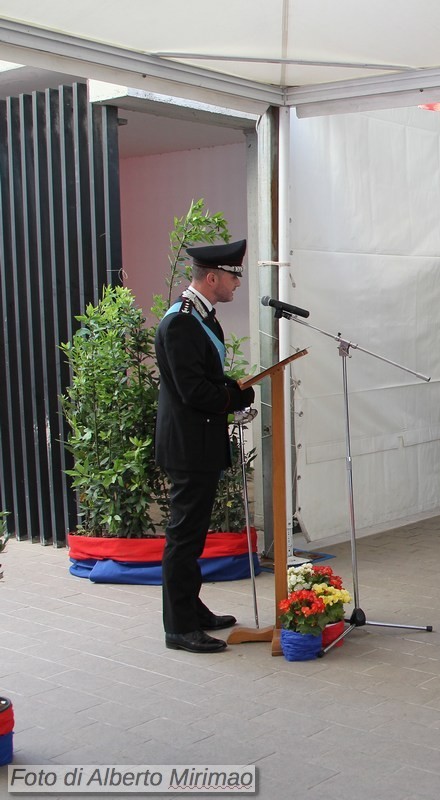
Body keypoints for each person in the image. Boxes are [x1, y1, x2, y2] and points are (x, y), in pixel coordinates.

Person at [155, 239, 256, 654]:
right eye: (234, 276)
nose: (237, 284)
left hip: (199, 442)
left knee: (192, 536)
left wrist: (232, 388)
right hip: (188, 446)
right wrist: (236, 396)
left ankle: (192, 610)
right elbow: (194, 390)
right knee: (183, 538)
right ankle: (178, 627)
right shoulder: (181, 321)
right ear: (212, 277)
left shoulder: (202, 316)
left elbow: (206, 378)